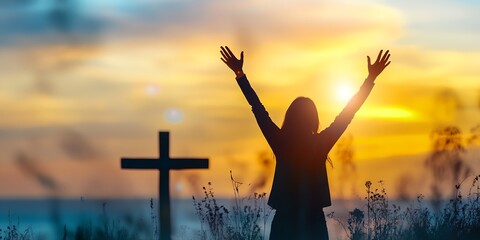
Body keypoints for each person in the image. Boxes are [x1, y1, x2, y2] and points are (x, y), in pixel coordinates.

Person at [220, 46, 391, 240]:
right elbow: (348, 113)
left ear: (290, 117)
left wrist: (240, 74)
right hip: (313, 220)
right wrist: (370, 79)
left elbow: (258, 108)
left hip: (284, 219)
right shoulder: (320, 144)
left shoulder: (281, 142)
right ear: (313, 119)